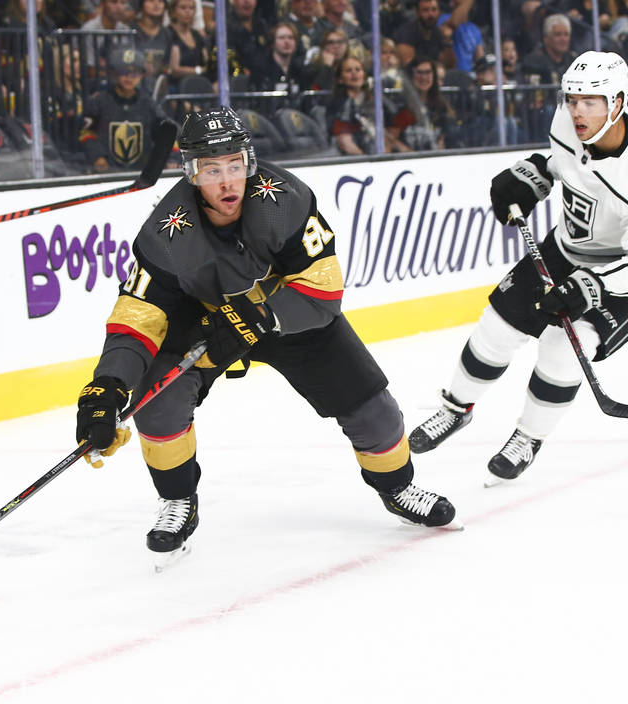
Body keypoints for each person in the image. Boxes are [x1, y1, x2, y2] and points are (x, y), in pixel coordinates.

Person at [74, 107, 459, 566]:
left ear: (250, 162)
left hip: (288, 314)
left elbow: (323, 287)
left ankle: (398, 487)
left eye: (235, 165)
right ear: (191, 172)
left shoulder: (287, 199)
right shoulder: (165, 233)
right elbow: (139, 315)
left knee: (372, 407)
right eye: (211, 170)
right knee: (157, 401)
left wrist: (263, 317)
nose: (227, 182)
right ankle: (178, 499)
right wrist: (108, 386)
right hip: (205, 323)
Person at [408, 51, 628, 485]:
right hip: (570, 245)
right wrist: (531, 177)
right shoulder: (567, 121)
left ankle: (528, 436)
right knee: (497, 327)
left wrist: (591, 286)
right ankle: (455, 409)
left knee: (566, 343)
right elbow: (565, 165)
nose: (577, 110)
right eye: (572, 98)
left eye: (590, 101)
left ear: (617, 103)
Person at [79, 46, 169, 173]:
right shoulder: (98, 101)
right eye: (124, 72)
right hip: (105, 172)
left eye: (135, 73)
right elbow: (86, 132)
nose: (129, 77)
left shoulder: (148, 104)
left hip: (140, 172)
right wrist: (97, 156)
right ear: (114, 73)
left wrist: (172, 158)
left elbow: (167, 131)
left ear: (142, 75)